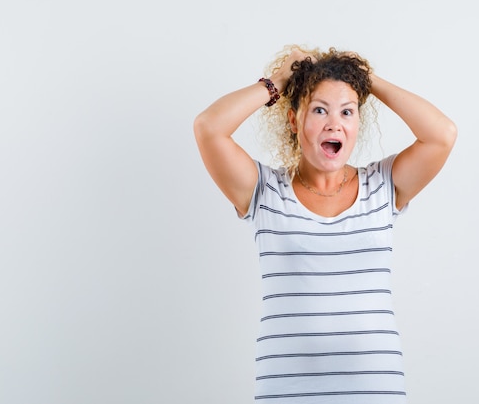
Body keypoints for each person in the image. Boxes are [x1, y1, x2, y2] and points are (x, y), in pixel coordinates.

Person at [193, 45, 457, 403]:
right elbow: (208, 127)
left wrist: (365, 78)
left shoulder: (382, 185)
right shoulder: (264, 189)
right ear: (293, 120)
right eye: (320, 110)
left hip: (375, 391)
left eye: (347, 112)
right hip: (285, 391)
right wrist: (279, 80)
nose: (335, 123)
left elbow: (442, 134)